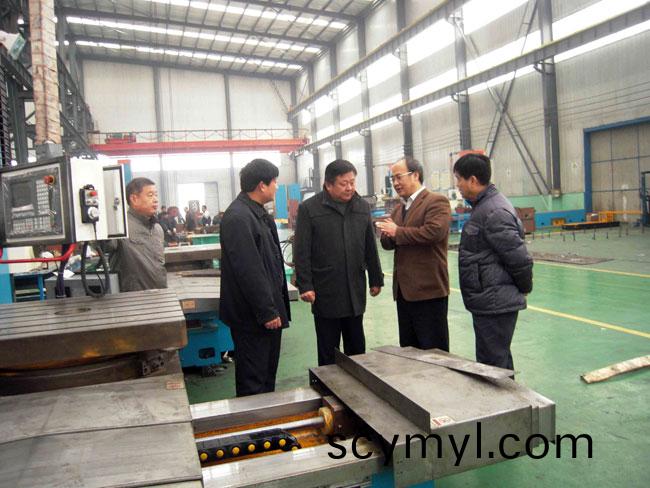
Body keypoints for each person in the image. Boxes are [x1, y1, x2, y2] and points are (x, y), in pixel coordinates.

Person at [294, 159, 383, 366]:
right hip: (325, 289)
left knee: (357, 349)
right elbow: (302, 250)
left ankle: (358, 382)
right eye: (344, 183)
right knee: (328, 350)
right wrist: (305, 285)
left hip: (354, 288)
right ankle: (327, 384)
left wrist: (375, 278)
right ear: (328, 184)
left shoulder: (361, 206)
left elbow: (370, 245)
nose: (350, 187)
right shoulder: (310, 208)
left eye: (352, 182)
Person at [453, 153, 533, 372]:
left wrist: (524, 287)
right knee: (498, 360)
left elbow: (519, 258)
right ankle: (509, 394)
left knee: (492, 366)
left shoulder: (494, 211)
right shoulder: (484, 207)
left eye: (459, 179)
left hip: (495, 302)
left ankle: (504, 395)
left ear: (472, 180)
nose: (457, 185)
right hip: (490, 298)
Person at [220, 159, 291, 397]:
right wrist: (267, 311)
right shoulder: (238, 217)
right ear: (262, 185)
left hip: (267, 311)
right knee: (253, 381)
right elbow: (248, 270)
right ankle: (252, 421)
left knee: (267, 376)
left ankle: (265, 418)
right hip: (252, 317)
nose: (277, 187)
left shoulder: (257, 213)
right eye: (274, 182)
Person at [377, 157, 451, 351]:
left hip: (428, 291)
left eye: (399, 177)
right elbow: (388, 243)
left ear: (415, 175)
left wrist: (397, 232)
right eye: (393, 179)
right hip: (404, 292)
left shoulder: (436, 202)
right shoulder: (399, 208)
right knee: (409, 350)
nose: (395, 183)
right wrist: (386, 234)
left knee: (433, 351)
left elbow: (434, 232)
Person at [108, 177, 167, 292]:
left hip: (159, 295)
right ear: (134, 199)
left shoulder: (157, 229)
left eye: (156, 195)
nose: (155, 200)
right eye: (150, 195)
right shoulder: (120, 227)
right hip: (132, 299)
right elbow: (104, 246)